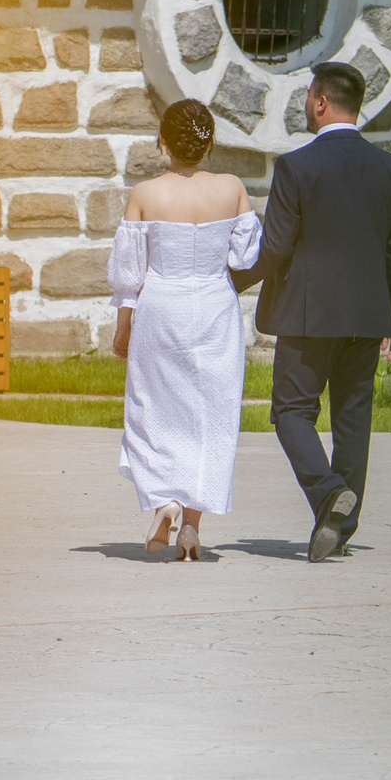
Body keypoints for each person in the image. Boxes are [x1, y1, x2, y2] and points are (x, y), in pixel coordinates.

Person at [247, 60, 391, 562]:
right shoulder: (390, 169)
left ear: (320, 102)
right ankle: (340, 527)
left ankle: (326, 494)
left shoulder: (296, 167)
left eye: (307, 97)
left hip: (308, 314)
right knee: (352, 419)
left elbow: (275, 248)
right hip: (368, 315)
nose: (306, 105)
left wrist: (229, 281)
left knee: (291, 412)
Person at [109, 99, 264, 561]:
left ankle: (165, 501)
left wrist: (123, 330)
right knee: (210, 415)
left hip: (161, 307)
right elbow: (245, 257)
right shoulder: (232, 188)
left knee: (153, 408)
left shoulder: (144, 193)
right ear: (210, 142)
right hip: (214, 309)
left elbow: (129, 274)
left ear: (162, 141)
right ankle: (191, 527)